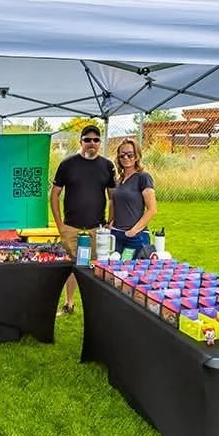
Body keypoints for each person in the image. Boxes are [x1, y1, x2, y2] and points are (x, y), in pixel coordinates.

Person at [49, 124, 116, 315]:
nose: (91, 143)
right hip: (71, 227)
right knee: (72, 266)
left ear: (100, 142)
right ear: (81, 142)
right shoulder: (67, 165)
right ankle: (69, 304)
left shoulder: (107, 166)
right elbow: (54, 195)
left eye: (96, 140)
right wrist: (60, 224)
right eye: (87, 140)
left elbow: (113, 197)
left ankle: (94, 307)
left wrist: (110, 222)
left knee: (95, 267)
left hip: (97, 228)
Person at [108, 138, 157, 254]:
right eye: (122, 155)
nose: (126, 158)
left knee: (131, 270)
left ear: (137, 156)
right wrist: (110, 222)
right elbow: (113, 203)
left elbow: (152, 209)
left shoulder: (143, 178)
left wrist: (134, 230)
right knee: (112, 269)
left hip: (135, 236)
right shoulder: (118, 180)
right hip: (116, 234)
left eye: (130, 155)